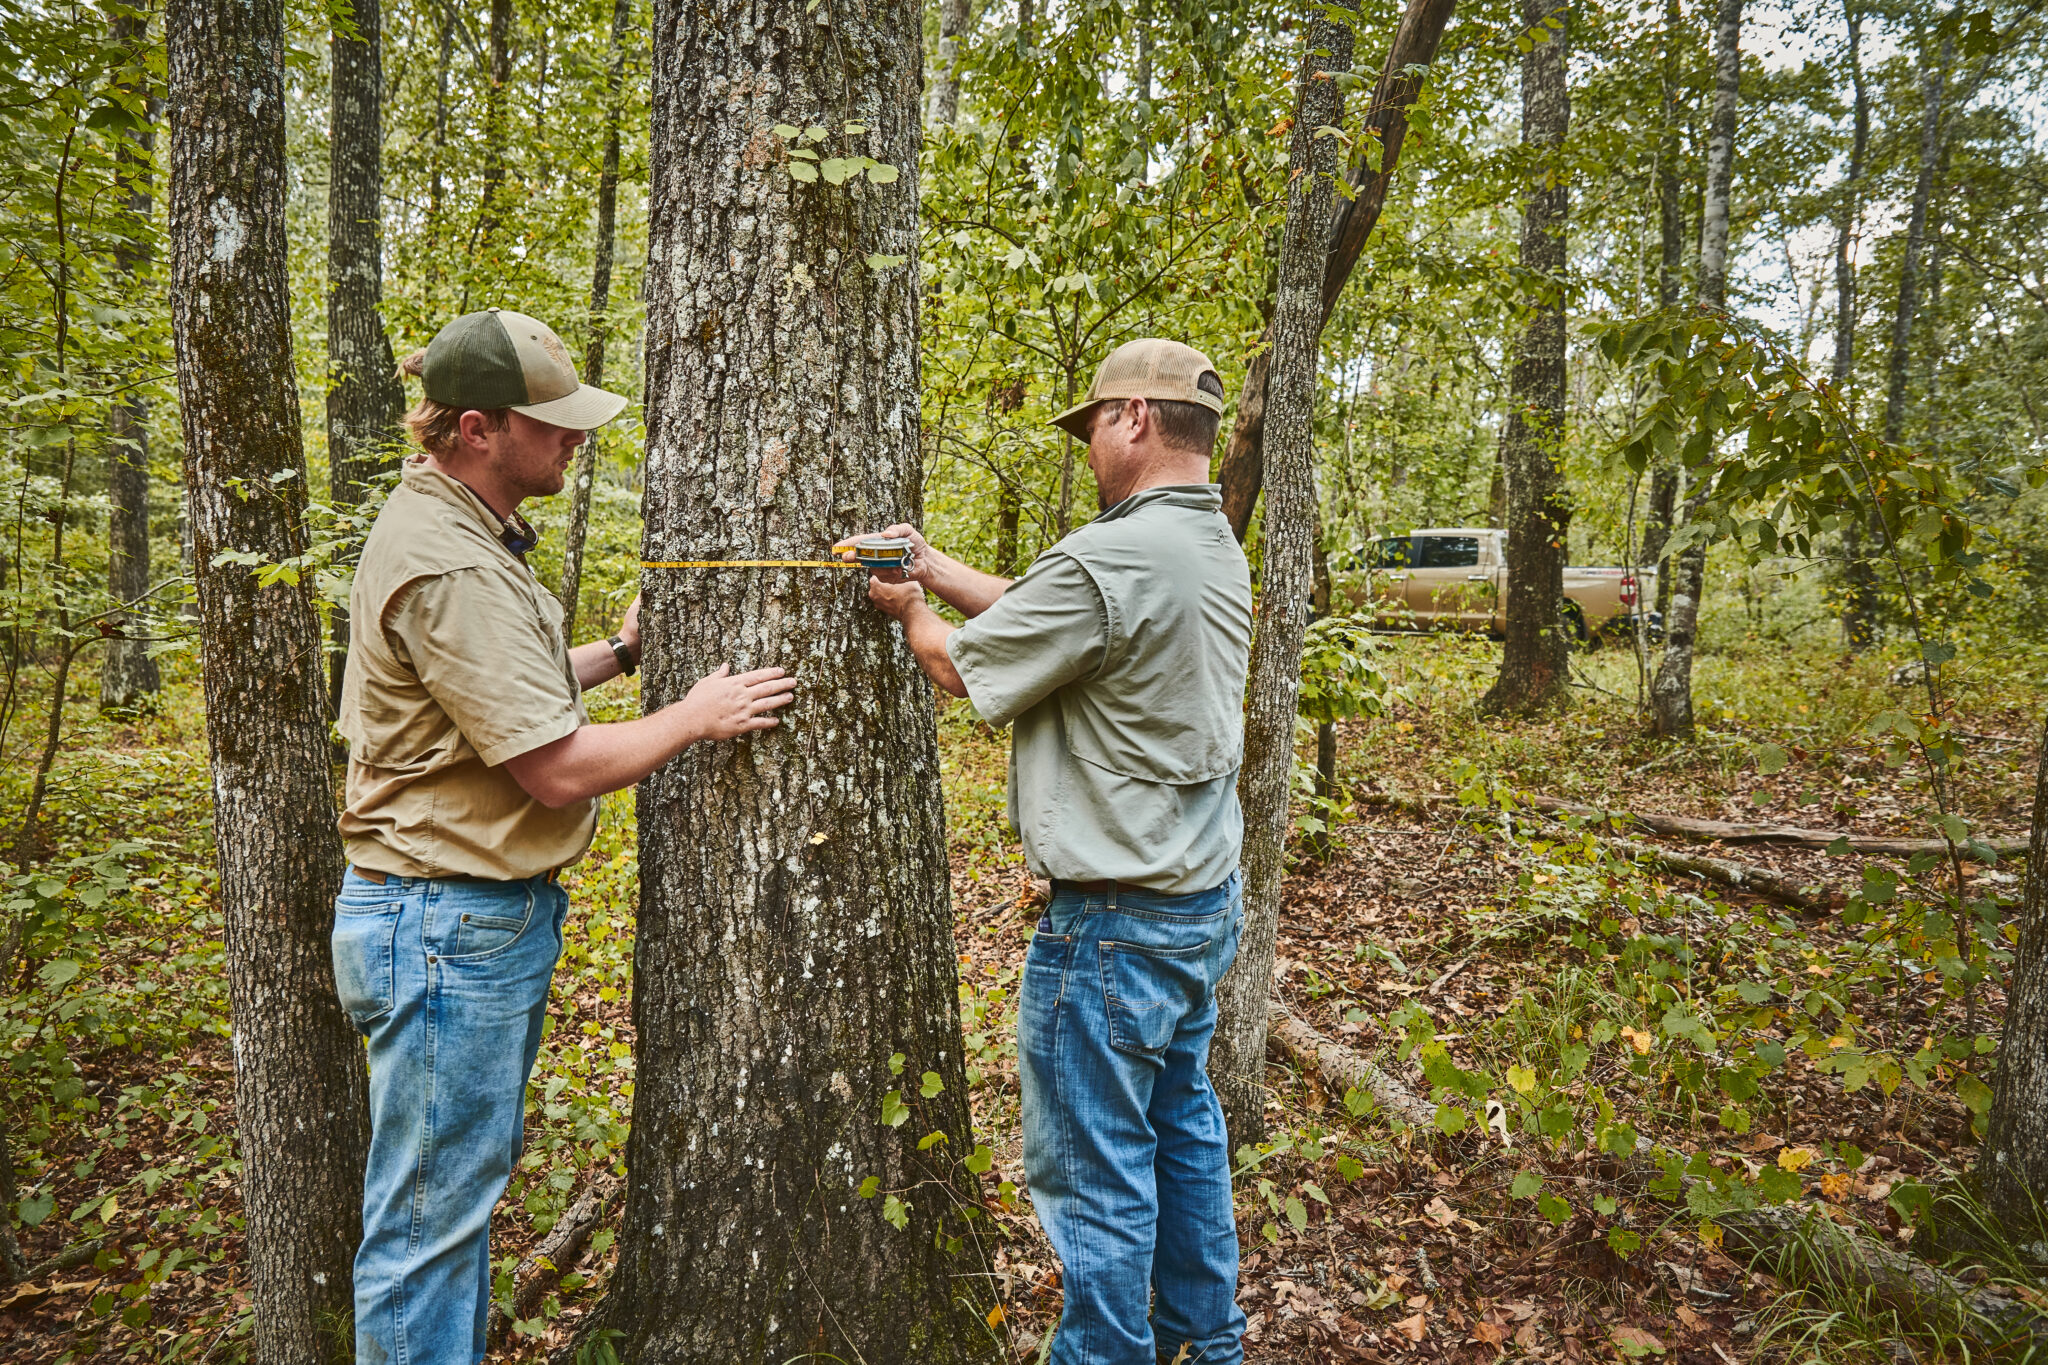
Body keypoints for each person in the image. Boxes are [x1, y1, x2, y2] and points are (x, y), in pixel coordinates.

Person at [330, 307, 796, 1364]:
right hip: (444, 922)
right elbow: (551, 768)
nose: (572, 439)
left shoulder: (459, 534)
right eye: (552, 423)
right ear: (477, 428)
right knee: (425, 1230)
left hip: (458, 919)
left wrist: (621, 656)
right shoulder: (450, 562)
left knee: (444, 1211)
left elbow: (493, 694)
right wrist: (693, 715)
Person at [847, 339, 1254, 1364]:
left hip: (1115, 925)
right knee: (1180, 1134)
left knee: (1097, 1171)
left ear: (1135, 420)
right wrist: (934, 565)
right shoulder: (1202, 543)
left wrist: (908, 609)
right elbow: (1057, 618)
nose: (1089, 451)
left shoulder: (1114, 555)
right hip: (1195, 900)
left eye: (1093, 428)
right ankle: (1207, 1344)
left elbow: (953, 667)